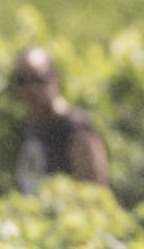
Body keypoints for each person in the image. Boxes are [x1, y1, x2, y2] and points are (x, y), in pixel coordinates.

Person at [11, 46, 109, 193]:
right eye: (23, 80)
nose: (31, 88)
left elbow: (96, 193)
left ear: (54, 79)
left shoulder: (75, 129)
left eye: (38, 78)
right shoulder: (32, 129)